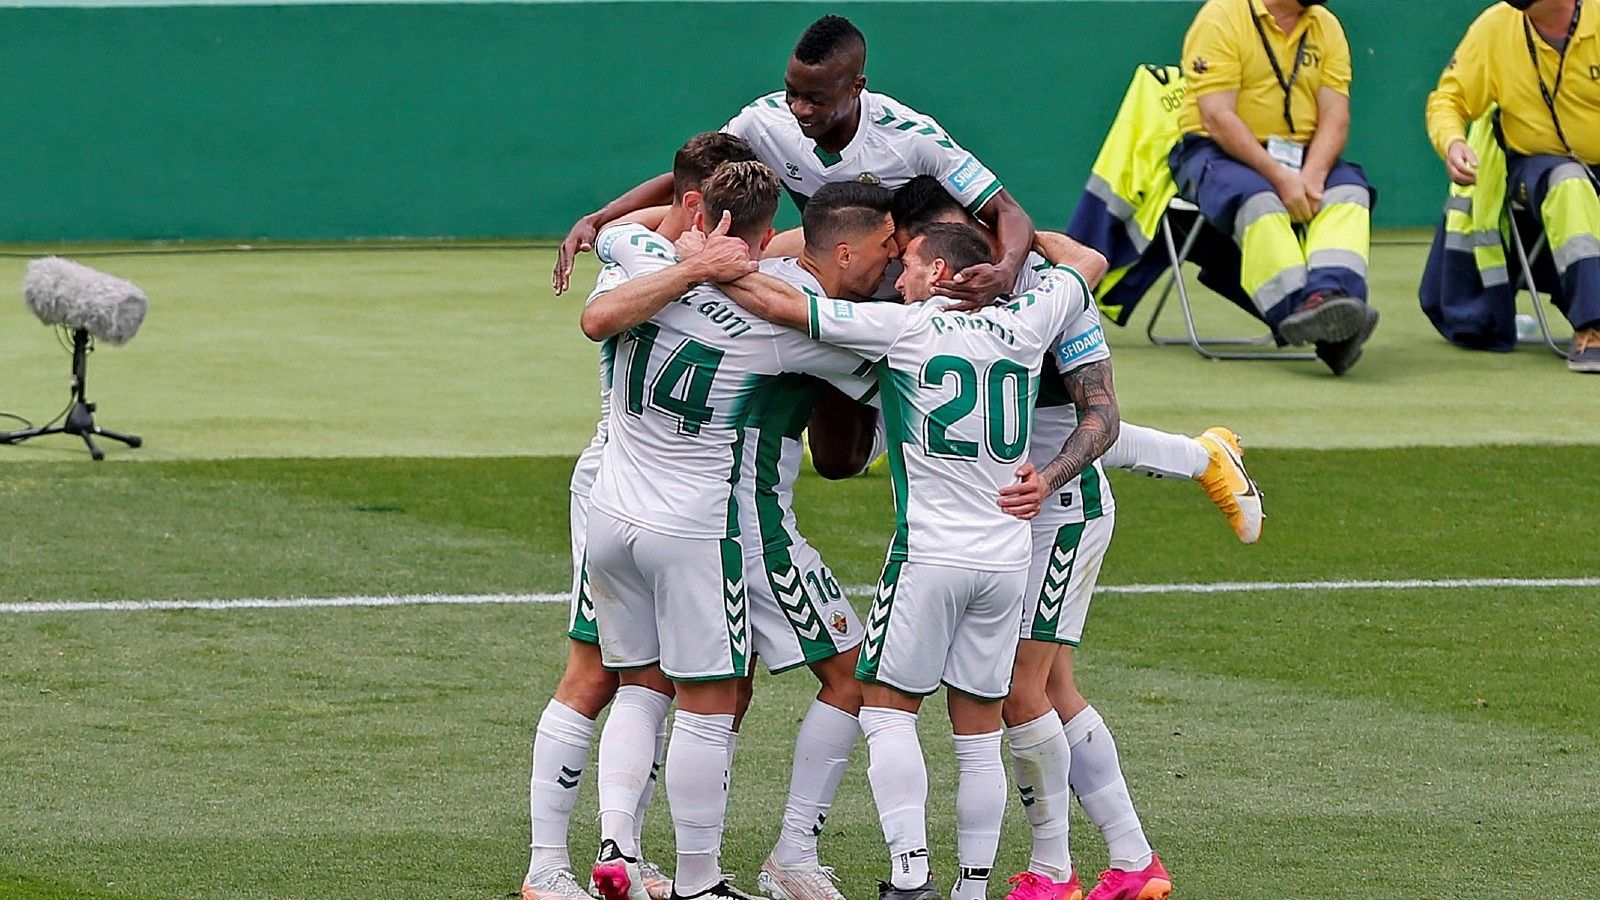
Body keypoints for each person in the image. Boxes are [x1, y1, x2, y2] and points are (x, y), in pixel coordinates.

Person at [716, 222, 1100, 900]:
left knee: (889, 712)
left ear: (942, 274)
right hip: (1007, 559)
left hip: (929, 558)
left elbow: (777, 305)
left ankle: (909, 875)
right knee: (979, 733)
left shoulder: (905, 330)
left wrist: (699, 264)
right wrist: (1021, 247)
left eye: (913, 267)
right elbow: (1089, 259)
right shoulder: (1030, 321)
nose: (900, 279)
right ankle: (971, 889)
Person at [584, 160, 891, 900]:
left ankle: (619, 850)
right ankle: (719, 877)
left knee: (642, 685)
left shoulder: (648, 256)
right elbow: (894, 383)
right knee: (752, 693)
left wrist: (689, 255)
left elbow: (614, 246)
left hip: (611, 510)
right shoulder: (794, 315)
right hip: (715, 527)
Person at [522, 132, 759, 900]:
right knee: (598, 676)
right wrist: (698, 258)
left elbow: (643, 225)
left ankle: (620, 853)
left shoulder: (627, 242)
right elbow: (599, 317)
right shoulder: (641, 256)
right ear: (697, 207)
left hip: (623, 492)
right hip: (623, 488)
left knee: (648, 679)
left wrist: (605, 218)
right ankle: (547, 866)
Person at [552, 14, 1036, 308]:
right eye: (792, 92)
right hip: (833, 272)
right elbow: (688, 179)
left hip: (911, 281)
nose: (800, 109)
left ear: (856, 87)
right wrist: (596, 220)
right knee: (836, 459)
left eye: (816, 99)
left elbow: (1008, 213)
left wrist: (1008, 268)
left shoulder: (911, 138)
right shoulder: (764, 121)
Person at [890, 176, 1264, 544]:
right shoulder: (922, 292)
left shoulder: (1045, 280)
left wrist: (1023, 242)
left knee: (1054, 403)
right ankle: (1203, 456)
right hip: (1002, 497)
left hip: (1060, 503)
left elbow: (1102, 415)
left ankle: (1203, 458)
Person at [1171, 0, 1379, 375]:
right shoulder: (1221, 17)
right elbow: (1217, 117)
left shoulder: (1326, 26)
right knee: (1260, 200)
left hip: (1302, 155)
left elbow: (1336, 115)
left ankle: (1330, 297)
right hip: (1216, 152)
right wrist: (1282, 179)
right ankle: (1309, 316)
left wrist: (1313, 175)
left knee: (1349, 193)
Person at [1426, 0, 1600, 372]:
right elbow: (1449, 99)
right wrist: (1454, 142)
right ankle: (1593, 327)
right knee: (1568, 183)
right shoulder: (1495, 25)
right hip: (1536, 165)